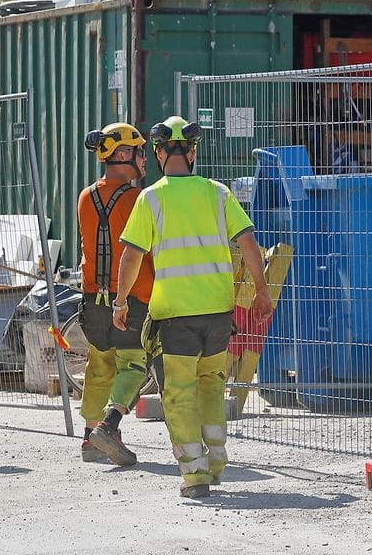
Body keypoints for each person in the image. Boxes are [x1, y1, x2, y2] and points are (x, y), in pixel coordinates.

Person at [113, 115, 272, 498]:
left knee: (180, 393)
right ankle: (216, 462)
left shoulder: (151, 197)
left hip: (176, 318)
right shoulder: (218, 193)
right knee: (212, 387)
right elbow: (249, 243)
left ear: (158, 153)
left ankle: (195, 475)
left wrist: (120, 301)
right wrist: (262, 292)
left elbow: (132, 256)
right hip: (219, 313)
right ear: (194, 152)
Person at [77, 122, 156, 466]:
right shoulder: (138, 198)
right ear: (123, 154)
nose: (143, 159)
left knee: (99, 366)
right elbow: (146, 251)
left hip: (92, 299)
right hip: (130, 300)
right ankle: (110, 425)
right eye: (139, 152)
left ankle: (89, 438)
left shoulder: (85, 196)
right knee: (135, 365)